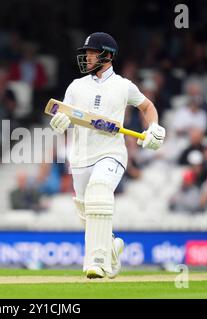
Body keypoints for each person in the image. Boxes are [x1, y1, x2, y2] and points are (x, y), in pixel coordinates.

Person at [49, 32, 165, 279]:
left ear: (108, 55)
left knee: (100, 191)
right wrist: (60, 123)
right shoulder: (76, 86)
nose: (87, 57)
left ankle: (97, 263)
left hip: (111, 153)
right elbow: (65, 116)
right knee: (87, 212)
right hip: (80, 156)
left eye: (92, 52)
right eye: (87, 53)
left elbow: (147, 107)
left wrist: (153, 127)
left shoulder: (124, 86)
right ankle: (111, 247)